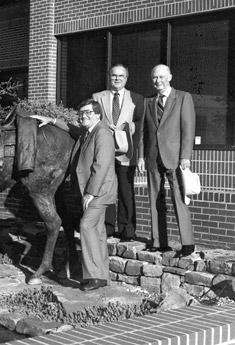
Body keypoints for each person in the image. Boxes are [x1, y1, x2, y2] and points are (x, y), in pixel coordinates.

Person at [31, 99, 117, 291]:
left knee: (86, 227)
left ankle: (94, 276)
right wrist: (51, 120)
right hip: (94, 191)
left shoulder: (102, 134)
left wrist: (90, 193)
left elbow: (101, 166)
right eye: (81, 113)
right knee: (98, 232)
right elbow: (71, 128)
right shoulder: (88, 132)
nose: (83, 116)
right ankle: (102, 276)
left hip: (99, 191)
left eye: (87, 113)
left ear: (97, 114)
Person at [137, 64, 196, 256]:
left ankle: (187, 243)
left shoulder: (183, 97)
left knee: (179, 198)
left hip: (175, 158)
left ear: (169, 77)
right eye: (155, 78)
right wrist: (141, 156)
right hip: (153, 157)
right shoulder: (148, 101)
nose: (158, 81)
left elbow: (188, 129)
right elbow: (143, 132)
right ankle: (158, 241)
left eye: (162, 77)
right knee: (155, 199)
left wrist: (185, 156)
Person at [92, 64, 144, 241]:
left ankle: (127, 229)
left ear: (126, 78)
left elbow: (141, 124)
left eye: (121, 76)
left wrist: (130, 128)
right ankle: (107, 227)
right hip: (104, 149)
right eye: (114, 75)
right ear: (109, 77)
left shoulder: (136, 98)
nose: (117, 79)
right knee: (106, 188)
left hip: (126, 148)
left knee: (125, 189)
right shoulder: (98, 97)